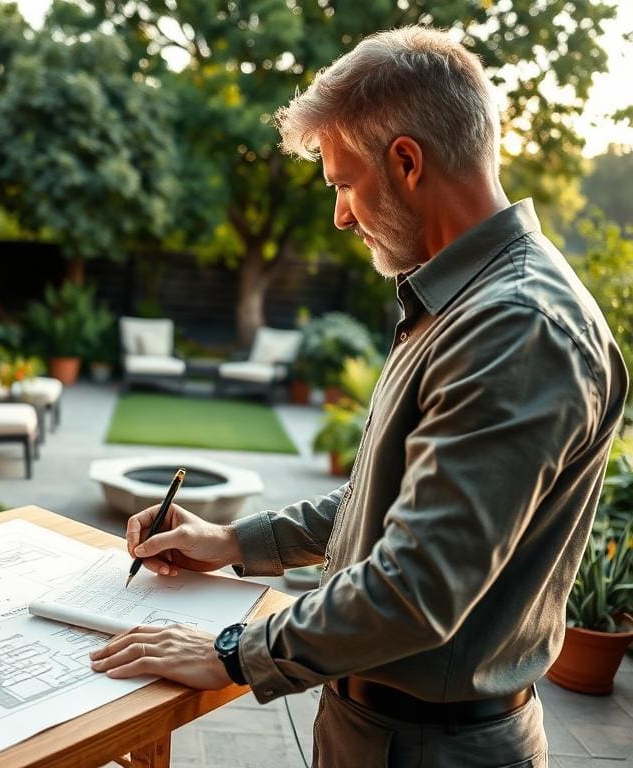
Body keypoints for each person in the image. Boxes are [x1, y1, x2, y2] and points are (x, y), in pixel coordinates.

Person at [88, 25, 629, 767]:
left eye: (345, 183)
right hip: (379, 731)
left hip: (433, 750)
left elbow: (418, 584)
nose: (341, 215)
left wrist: (233, 652)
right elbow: (388, 504)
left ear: (406, 162)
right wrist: (231, 542)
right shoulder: (458, 302)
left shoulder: (515, 326)